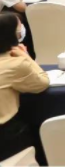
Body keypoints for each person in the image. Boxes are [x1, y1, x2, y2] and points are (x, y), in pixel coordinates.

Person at [0, 13, 49, 160]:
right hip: (6, 135)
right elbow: (42, 82)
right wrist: (26, 56)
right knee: (39, 130)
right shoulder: (15, 64)